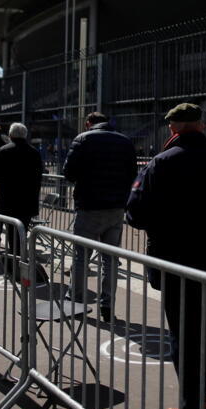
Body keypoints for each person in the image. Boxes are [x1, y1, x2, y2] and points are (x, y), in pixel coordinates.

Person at [126, 103, 206, 409]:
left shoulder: (160, 164)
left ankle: (191, 406)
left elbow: (135, 214)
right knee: (203, 330)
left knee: (181, 334)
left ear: (172, 129)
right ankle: (199, 399)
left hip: (172, 261)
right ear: (201, 127)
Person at [62, 112, 137, 324]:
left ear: (88, 123)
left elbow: (69, 172)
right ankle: (107, 305)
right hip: (116, 207)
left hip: (89, 205)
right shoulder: (124, 141)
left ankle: (74, 301)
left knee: (80, 257)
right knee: (110, 260)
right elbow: (133, 173)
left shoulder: (83, 139)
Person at [0, 122, 43, 273]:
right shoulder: (34, 152)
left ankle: (16, 263)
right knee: (22, 230)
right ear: (25, 135)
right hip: (28, 199)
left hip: (8, 198)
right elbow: (39, 175)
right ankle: (21, 259)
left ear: (11, 135)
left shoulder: (3, 151)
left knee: (12, 231)